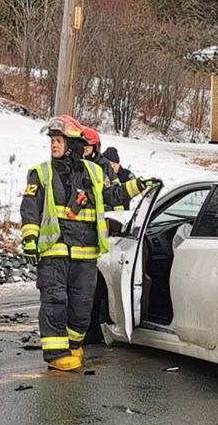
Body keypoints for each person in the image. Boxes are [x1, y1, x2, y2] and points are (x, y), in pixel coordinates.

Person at [22, 116, 159, 371]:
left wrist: (137, 187)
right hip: (55, 250)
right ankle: (56, 354)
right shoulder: (41, 173)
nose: (53, 145)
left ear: (73, 144)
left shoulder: (95, 173)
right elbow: (30, 209)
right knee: (55, 301)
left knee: (83, 303)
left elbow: (111, 196)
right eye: (52, 140)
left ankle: (74, 346)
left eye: (59, 140)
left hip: (86, 253)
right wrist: (29, 238)